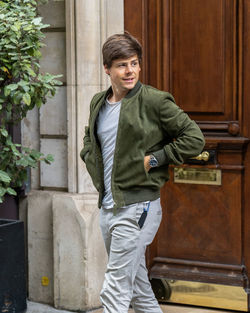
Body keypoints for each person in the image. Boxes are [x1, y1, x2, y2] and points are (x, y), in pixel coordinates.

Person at [80, 32, 205, 313]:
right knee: (136, 286)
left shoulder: (154, 101)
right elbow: (91, 139)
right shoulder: (99, 102)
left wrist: (157, 159)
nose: (130, 71)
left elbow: (194, 137)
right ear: (107, 69)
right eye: (122, 65)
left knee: (115, 286)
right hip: (109, 205)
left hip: (139, 206)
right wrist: (89, 157)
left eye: (134, 63)